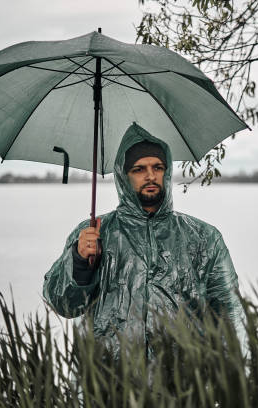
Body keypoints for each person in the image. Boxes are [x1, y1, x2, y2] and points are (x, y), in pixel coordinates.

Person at [42, 123, 245, 356]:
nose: (150, 176)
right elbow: (64, 305)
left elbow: (229, 313)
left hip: (183, 381)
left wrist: (236, 374)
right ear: (123, 176)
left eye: (157, 167)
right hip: (110, 379)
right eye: (138, 169)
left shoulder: (204, 238)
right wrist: (79, 262)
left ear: (166, 172)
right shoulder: (94, 233)